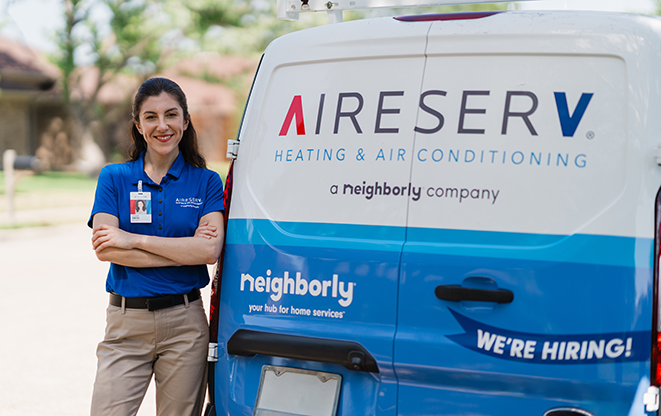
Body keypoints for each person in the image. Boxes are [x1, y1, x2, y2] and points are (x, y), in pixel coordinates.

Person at [88, 77, 224, 416]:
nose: (162, 126)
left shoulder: (206, 181)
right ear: (138, 125)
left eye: (171, 115)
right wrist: (183, 249)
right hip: (125, 324)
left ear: (185, 121)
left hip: (185, 326)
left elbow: (208, 253)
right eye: (151, 116)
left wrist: (133, 239)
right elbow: (107, 248)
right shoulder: (114, 177)